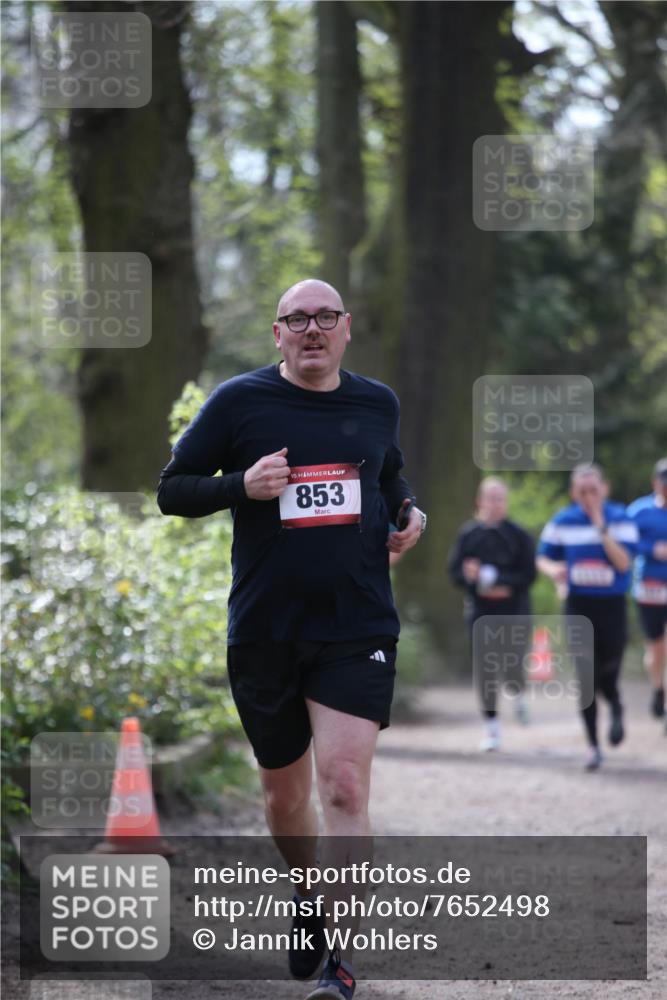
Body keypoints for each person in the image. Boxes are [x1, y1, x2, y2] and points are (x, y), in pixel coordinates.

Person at [157, 278, 426, 999]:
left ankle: (341, 967)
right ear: (276, 333)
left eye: (325, 317)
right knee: (284, 798)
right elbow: (171, 488)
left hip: (356, 626)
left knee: (343, 785)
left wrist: (405, 510)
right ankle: (306, 896)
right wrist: (239, 485)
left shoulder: (376, 403)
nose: (312, 329)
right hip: (266, 631)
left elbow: (388, 473)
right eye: (296, 319)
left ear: (345, 330)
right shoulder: (240, 404)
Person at [537, 463, 638, 771]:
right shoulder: (562, 521)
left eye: (594, 490)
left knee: (608, 670)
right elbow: (543, 556)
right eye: (582, 492)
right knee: (585, 677)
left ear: (604, 489)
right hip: (578, 606)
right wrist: (554, 570)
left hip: (612, 607)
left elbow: (623, 564)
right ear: (573, 493)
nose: (589, 497)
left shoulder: (621, 518)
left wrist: (600, 526)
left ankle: (617, 704)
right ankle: (593, 746)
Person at [447, 478, 536, 751]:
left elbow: (529, 575)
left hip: (515, 612)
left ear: (506, 502)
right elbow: (454, 573)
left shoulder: (519, 535)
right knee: (486, 669)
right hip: (481, 613)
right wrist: (471, 577)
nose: (495, 504)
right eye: (491, 498)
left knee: (512, 665)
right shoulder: (469, 534)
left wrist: (498, 578)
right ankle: (492, 728)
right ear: (480, 501)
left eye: (500, 498)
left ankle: (518, 694)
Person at [627, 458, 667, 726]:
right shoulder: (640, 511)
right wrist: (651, 550)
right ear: (656, 483)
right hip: (649, 588)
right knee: (656, 647)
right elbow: (624, 541)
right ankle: (657, 689)